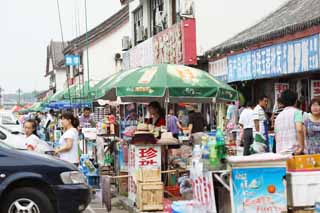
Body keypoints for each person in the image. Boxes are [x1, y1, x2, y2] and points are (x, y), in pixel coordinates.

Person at [275, 90, 304, 155]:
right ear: (296, 101)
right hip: (294, 151)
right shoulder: (297, 113)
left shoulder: (278, 117)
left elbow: (276, 135)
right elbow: (299, 129)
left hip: (280, 152)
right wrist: (301, 147)